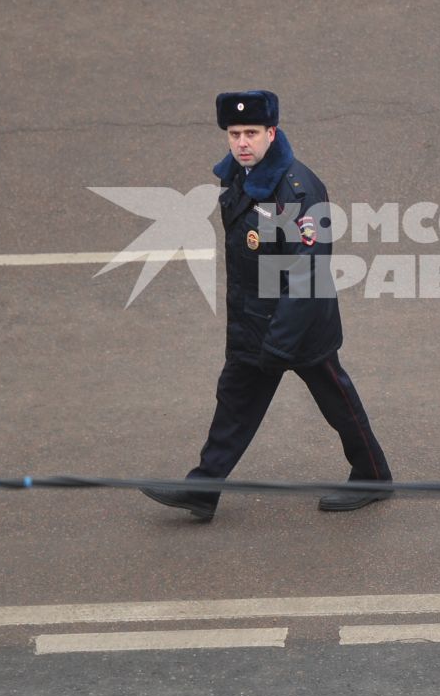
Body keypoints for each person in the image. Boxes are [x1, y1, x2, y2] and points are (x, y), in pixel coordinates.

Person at [142, 90, 393, 522]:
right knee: (234, 401)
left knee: (336, 400)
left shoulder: (297, 187)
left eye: (251, 133)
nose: (242, 142)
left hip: (299, 324)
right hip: (253, 321)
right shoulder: (238, 178)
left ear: (271, 132)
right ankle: (204, 488)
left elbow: (308, 268)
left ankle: (373, 475)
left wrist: (279, 342)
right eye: (234, 133)